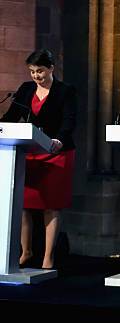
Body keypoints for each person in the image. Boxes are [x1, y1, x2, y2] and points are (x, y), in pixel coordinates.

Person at [1, 49, 77, 270]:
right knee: (24, 204)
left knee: (50, 206)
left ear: (51, 68)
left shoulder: (65, 91)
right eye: (33, 72)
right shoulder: (26, 89)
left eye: (40, 71)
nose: (36, 76)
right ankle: (26, 252)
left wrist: (60, 140)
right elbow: (12, 117)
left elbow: (69, 121)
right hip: (31, 152)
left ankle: (48, 258)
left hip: (56, 153)